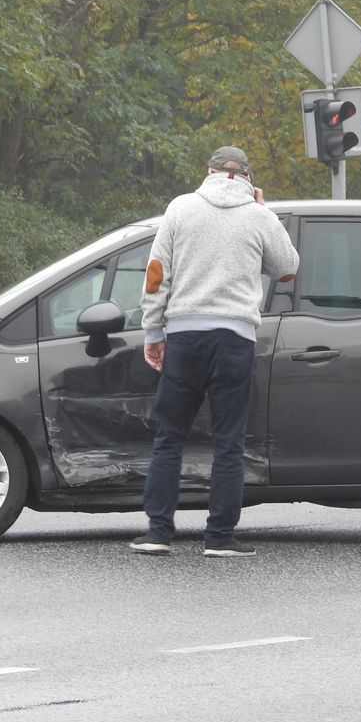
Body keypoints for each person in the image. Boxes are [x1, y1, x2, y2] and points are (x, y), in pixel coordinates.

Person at [130, 146, 299, 558]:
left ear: (208, 172)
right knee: (228, 441)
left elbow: (156, 275)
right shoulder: (259, 216)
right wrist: (264, 210)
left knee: (169, 436)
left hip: (185, 337)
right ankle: (220, 537)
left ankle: (158, 533)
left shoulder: (180, 208)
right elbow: (288, 267)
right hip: (234, 338)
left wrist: (153, 332)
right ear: (246, 177)